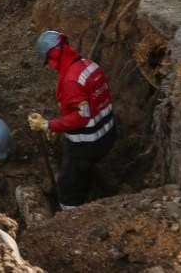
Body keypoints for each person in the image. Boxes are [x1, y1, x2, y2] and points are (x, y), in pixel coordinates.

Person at [28, 30, 116, 210]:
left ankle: (70, 220)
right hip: (108, 133)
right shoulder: (89, 65)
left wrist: (48, 125)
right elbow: (88, 105)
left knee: (68, 189)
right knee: (84, 174)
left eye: (49, 62)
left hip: (88, 145)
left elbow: (81, 118)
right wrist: (57, 128)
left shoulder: (71, 81)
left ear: (53, 57)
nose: (51, 67)